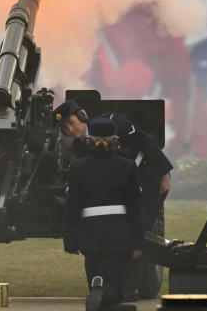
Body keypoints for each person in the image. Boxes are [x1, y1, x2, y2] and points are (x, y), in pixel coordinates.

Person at [52, 100, 173, 300]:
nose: (71, 130)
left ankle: (130, 289)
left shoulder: (115, 122)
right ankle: (117, 287)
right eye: (66, 128)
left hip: (149, 178)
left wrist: (165, 173)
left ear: (82, 117)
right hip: (124, 190)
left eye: (72, 123)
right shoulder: (82, 148)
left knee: (139, 231)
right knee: (127, 234)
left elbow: (144, 142)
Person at [63, 116, 143, 311]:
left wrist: (70, 241)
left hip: (89, 234)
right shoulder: (128, 166)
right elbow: (134, 207)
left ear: (90, 139)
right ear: (114, 138)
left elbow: (71, 207)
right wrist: (138, 241)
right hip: (119, 233)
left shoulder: (77, 167)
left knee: (94, 275)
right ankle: (104, 291)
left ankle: (97, 289)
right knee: (116, 287)